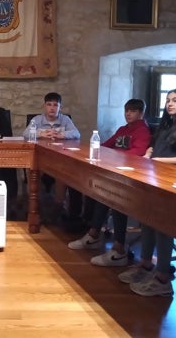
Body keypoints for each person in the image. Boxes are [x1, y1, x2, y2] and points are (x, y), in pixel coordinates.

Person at [118, 88, 176, 297]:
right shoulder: (166, 124)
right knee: (147, 216)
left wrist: (157, 160)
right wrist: (148, 154)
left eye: (175, 100)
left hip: (175, 179)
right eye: (167, 100)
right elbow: (153, 146)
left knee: (162, 221)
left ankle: (163, 277)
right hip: (155, 174)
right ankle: (146, 264)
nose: (170, 104)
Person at [68, 99, 151, 267]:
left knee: (112, 196)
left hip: (131, 174)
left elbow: (137, 153)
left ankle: (111, 243)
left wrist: (114, 155)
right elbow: (105, 145)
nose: (128, 114)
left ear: (141, 113)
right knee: (99, 192)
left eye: (133, 111)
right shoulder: (122, 129)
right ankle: (93, 234)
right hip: (115, 168)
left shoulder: (142, 131)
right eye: (126, 110)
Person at [22, 92, 82, 226]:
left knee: (62, 175)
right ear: (44, 106)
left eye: (55, 105)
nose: (52, 108)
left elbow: (76, 133)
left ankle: (58, 208)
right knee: (33, 172)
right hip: (40, 159)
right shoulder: (37, 119)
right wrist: (42, 133)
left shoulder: (65, 119)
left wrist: (61, 134)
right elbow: (25, 133)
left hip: (59, 160)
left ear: (60, 107)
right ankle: (34, 206)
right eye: (49, 105)